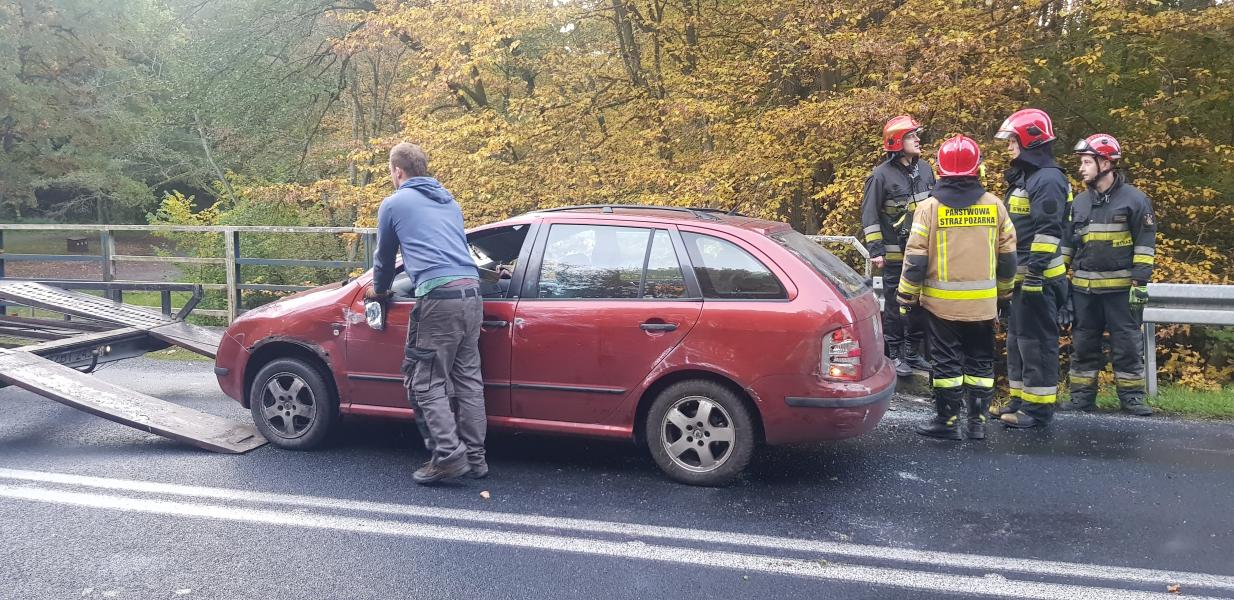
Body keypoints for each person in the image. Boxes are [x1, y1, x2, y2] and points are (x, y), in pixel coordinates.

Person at [366, 142, 488, 484]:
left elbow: (384, 258)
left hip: (438, 299)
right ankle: (476, 459)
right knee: (468, 380)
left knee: (426, 380)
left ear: (397, 171)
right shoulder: (450, 202)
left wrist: (381, 291)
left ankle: (448, 456)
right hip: (472, 295)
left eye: (391, 172)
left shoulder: (394, 203)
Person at [897, 135, 1017, 440]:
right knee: (980, 360)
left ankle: (947, 422)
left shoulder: (928, 208)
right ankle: (977, 424)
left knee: (946, 363)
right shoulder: (995, 206)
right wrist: (1004, 292)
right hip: (983, 306)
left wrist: (906, 295)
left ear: (941, 170)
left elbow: (915, 259)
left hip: (941, 306)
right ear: (978, 169)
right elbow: (1008, 256)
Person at [1059, 134, 1156, 416]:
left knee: (1126, 345)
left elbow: (1145, 244)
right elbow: (1067, 244)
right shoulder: (1079, 202)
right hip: (1083, 291)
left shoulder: (1135, 200)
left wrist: (1140, 282)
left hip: (1121, 292)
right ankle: (1081, 398)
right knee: (1083, 345)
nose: (1082, 168)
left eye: (1087, 162)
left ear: (1106, 163)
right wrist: (1059, 282)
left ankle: (1132, 398)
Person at [989, 109, 1070, 429]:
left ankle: (1038, 410)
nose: (1009, 147)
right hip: (1023, 279)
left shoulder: (1048, 179)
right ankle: (1021, 400)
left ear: (1030, 140)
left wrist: (1035, 274)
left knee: (1037, 343)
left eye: (1012, 140)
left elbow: (1049, 231)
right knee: (1019, 342)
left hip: (1039, 280)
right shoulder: (1028, 177)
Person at [860, 115, 937, 376]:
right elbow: (870, 216)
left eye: (917, 135)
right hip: (894, 255)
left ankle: (914, 354)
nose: (917, 139)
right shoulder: (880, 177)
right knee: (895, 305)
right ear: (896, 142)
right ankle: (894, 355)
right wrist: (876, 251)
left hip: (922, 253)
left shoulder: (926, 170)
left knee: (920, 303)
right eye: (911, 136)